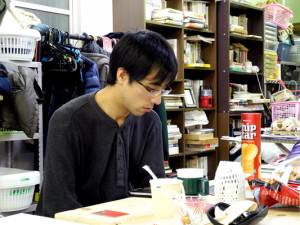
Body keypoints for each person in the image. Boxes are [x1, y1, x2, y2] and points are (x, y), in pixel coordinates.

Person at [35, 29, 178, 217]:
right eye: (151, 89)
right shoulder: (68, 120)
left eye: (162, 91)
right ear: (122, 75)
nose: (157, 100)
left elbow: (152, 191)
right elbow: (59, 204)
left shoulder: (150, 121)